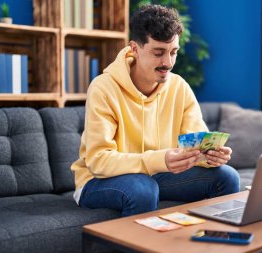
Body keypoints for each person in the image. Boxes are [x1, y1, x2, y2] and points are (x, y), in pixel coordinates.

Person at [71, 4, 240, 217]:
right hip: (98, 180)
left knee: (227, 177)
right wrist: (159, 160)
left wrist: (211, 156)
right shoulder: (104, 87)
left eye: (173, 52)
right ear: (134, 48)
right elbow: (98, 161)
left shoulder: (179, 87)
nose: (168, 62)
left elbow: (196, 147)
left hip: (158, 173)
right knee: (142, 189)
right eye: (158, 53)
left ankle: (216, 246)